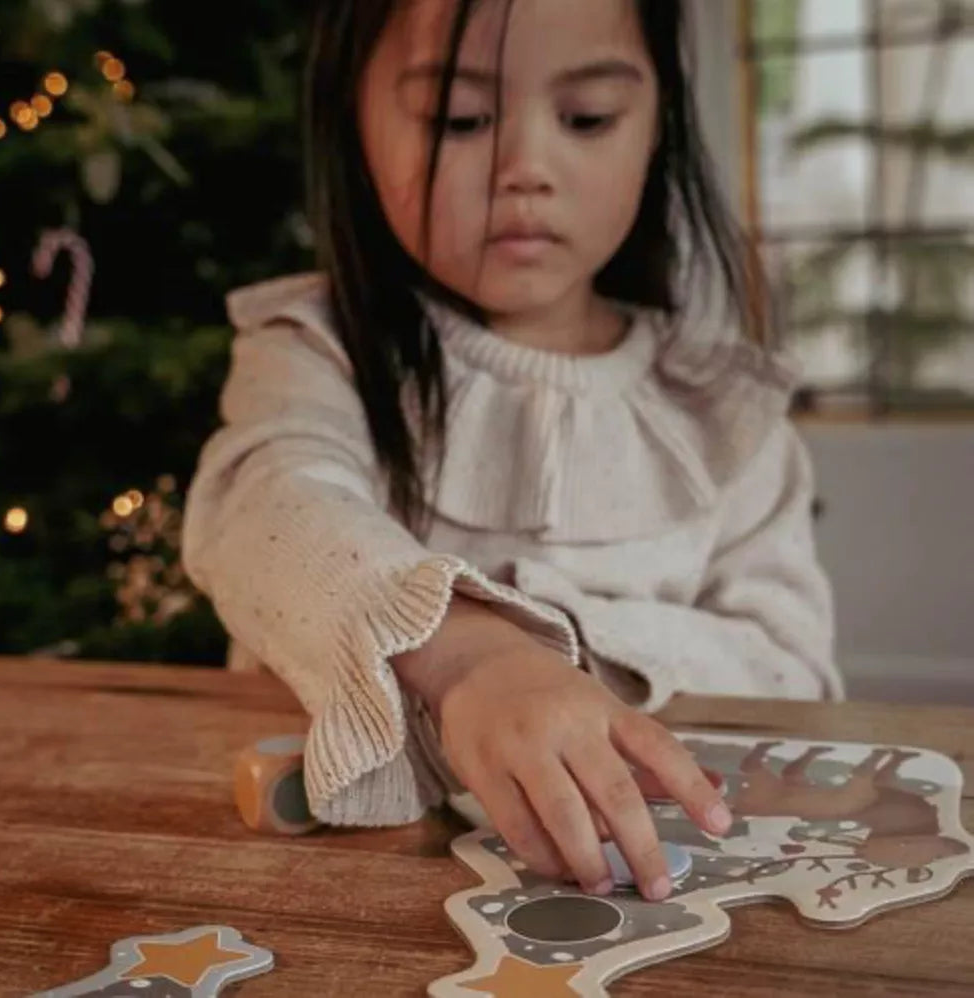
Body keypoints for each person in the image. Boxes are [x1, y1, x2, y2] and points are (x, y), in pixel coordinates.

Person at [181, 0, 844, 903]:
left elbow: (794, 678)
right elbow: (264, 504)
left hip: (643, 892)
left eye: (587, 119)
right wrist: (465, 655)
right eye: (459, 120)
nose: (526, 169)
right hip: (346, 891)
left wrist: (549, 643)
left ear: (659, 129)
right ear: (353, 122)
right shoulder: (314, 348)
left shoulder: (724, 408)